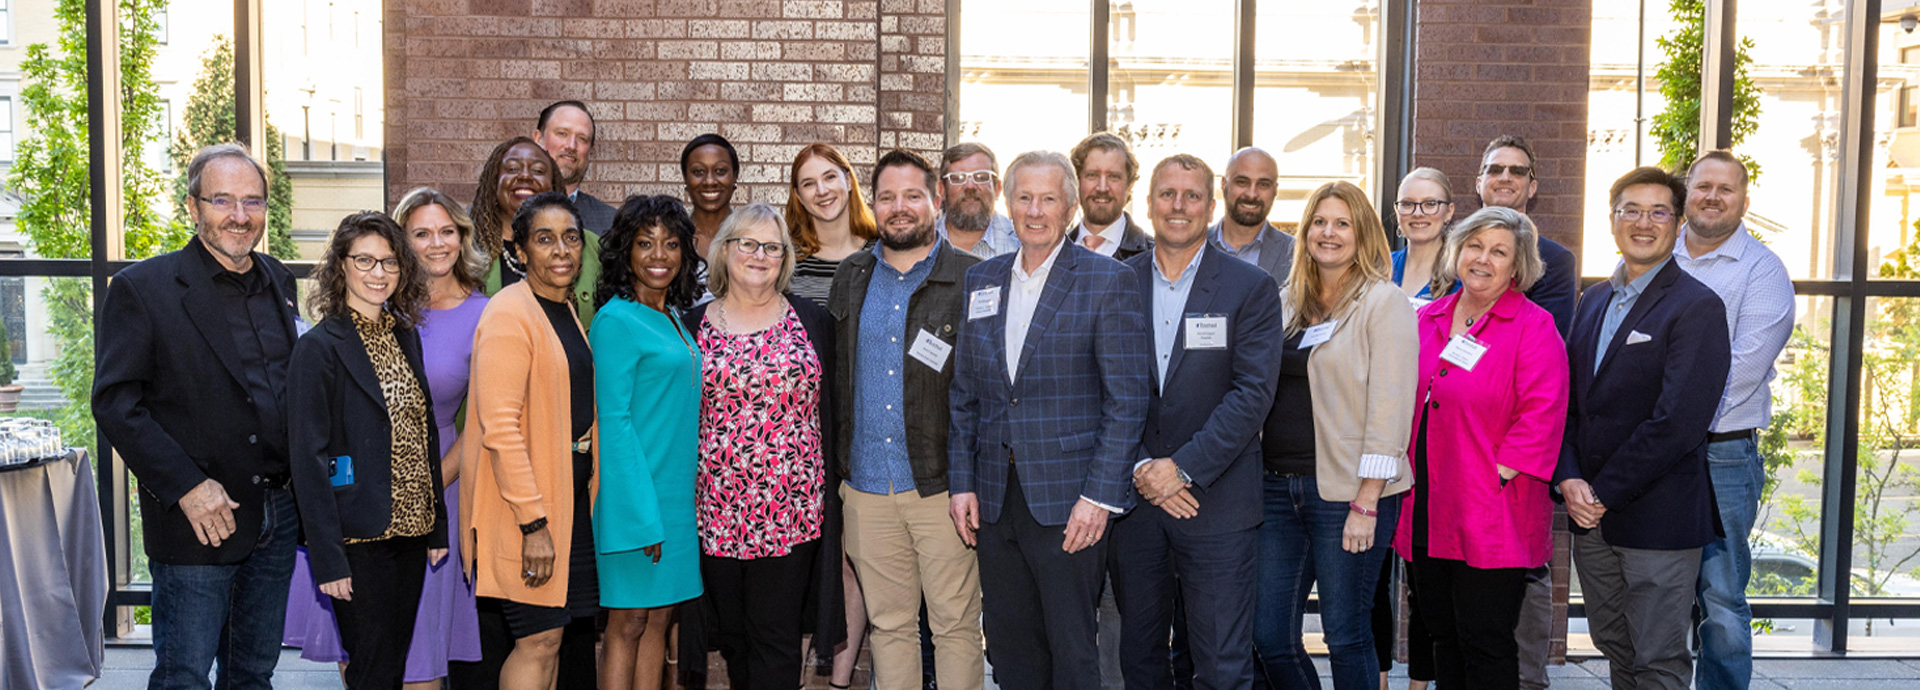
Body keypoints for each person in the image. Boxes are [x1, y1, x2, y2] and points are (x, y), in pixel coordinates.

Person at [94, 143, 302, 690]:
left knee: (253, 674)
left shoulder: (279, 281)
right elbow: (116, 402)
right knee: (184, 676)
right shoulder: (144, 288)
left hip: (276, 514)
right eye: (223, 201)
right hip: (197, 517)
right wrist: (187, 486)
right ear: (193, 207)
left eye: (253, 201)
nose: (240, 216)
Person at [947, 150, 1153, 690]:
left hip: (1070, 502)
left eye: (1048, 199)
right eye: (1024, 198)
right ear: (1007, 204)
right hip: (994, 499)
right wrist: (962, 484)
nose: (1035, 211)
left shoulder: (1107, 280)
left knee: (1072, 653)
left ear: (1070, 206)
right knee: (1012, 650)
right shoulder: (981, 281)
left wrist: (1100, 497)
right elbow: (965, 392)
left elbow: (1126, 402)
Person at [282, 188, 490, 689]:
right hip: (358, 537)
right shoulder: (320, 348)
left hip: (411, 535)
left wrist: (437, 529)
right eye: (365, 261)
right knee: (372, 671)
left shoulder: (404, 335)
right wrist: (328, 557)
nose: (378, 273)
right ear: (341, 267)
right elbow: (307, 461)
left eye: (389, 263)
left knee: (394, 664)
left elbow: (423, 438)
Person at [1111, 154, 1284, 690]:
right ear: (1148, 202)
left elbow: (1252, 394)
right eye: (1167, 194)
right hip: (1135, 505)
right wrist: (1144, 466)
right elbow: (1103, 388)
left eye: (1191, 196)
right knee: (1140, 659)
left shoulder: (1249, 287)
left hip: (1217, 504)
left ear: (1211, 207)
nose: (1178, 206)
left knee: (1221, 666)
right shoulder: (1117, 282)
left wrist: (1181, 469)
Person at [1556, 167, 1731, 690]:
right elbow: (1566, 402)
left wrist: (1601, 492)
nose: (1643, 222)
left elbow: (1678, 422)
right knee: (1617, 649)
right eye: (1630, 210)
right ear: (1612, 220)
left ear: (1678, 225)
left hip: (1658, 518)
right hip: (1590, 517)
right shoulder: (1592, 301)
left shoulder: (1698, 307)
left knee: (1657, 661)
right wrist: (1567, 479)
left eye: (1658, 212)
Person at [1389, 206, 1568, 690]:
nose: (1482, 259)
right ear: (1456, 251)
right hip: (1425, 504)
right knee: (1441, 634)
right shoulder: (1429, 318)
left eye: (1498, 251)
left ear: (1517, 266)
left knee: (1485, 640)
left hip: (1491, 510)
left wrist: (1495, 478)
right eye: (1474, 246)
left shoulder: (1533, 326)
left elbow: (1542, 413)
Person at [830, 150, 987, 690]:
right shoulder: (850, 276)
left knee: (955, 627)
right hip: (867, 489)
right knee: (890, 627)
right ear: (873, 205)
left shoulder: (974, 279)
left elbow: (984, 390)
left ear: (936, 200)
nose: (899, 208)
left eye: (912, 196)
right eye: (887, 197)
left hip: (941, 489)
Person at [1253, 181, 1415, 690]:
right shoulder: (1285, 302)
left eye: (1342, 223)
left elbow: (1390, 410)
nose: (1329, 232)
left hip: (1349, 495)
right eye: (1319, 222)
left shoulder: (1382, 302)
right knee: (1270, 634)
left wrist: (1367, 501)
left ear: (1362, 232)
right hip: (1277, 491)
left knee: (1346, 635)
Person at [683, 202, 845, 690]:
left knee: (776, 639)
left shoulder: (812, 321)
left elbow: (835, 407)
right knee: (733, 639)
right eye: (747, 244)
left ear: (785, 257)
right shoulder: (690, 326)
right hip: (717, 510)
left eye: (772, 247)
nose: (760, 255)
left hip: (790, 510)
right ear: (724, 250)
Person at [457, 192, 602, 690]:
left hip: (566, 510)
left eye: (569, 238)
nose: (561, 250)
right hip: (527, 512)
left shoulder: (562, 311)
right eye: (544, 239)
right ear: (519, 252)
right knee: (536, 642)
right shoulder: (509, 312)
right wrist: (533, 523)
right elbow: (500, 427)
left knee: (550, 642)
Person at [1677, 151, 1795, 690]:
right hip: (1660, 451)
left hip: (1722, 453)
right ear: (1687, 192)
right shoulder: (1659, 257)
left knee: (1720, 598)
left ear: (1743, 200)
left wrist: (1665, 426)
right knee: (1658, 592)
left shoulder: (1762, 271)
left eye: (1726, 189)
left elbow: (1741, 371)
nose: (1712, 197)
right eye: (1704, 186)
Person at [1473, 135, 1577, 690]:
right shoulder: (1456, 247)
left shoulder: (1554, 261)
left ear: (1533, 187)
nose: (1505, 178)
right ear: (1479, 181)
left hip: (1515, 447)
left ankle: (1527, 681)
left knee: (1523, 567)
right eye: (1495, 169)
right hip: (1452, 439)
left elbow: (1543, 348)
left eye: (1517, 171)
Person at [592, 195, 708, 690]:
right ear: (625, 251)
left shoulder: (673, 318)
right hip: (634, 499)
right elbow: (612, 423)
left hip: (677, 500)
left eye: (671, 243)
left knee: (659, 622)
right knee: (628, 623)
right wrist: (641, 515)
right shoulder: (616, 320)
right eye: (645, 243)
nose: (658, 254)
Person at [473, 136, 605, 327]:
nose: (525, 176)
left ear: (553, 185)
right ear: (494, 183)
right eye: (512, 169)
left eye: (538, 171)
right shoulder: (465, 247)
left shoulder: (592, 247)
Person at [788, 143, 880, 310]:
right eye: (809, 184)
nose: (822, 191)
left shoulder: (880, 253)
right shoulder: (787, 259)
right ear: (798, 196)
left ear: (849, 181)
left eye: (830, 177)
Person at [1207, 147, 1295, 282]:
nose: (1251, 194)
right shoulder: (1193, 245)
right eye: (1242, 182)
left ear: (1275, 190)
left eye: (1263, 184)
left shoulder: (1296, 255)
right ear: (1224, 184)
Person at [534, 100, 616, 232]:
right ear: (539, 139)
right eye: (562, 133)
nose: (571, 146)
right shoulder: (505, 211)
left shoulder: (611, 224)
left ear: (590, 150)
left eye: (582, 138)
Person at [1067, 133, 1152, 261]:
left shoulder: (1155, 257)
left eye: (1113, 176)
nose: (1102, 188)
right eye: (1092, 175)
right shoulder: (1053, 252)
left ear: (1129, 185)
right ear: (1077, 182)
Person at [937, 141, 1019, 259]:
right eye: (958, 178)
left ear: (997, 188)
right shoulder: (921, 243)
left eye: (981, 177)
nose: (970, 186)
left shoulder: (1022, 245)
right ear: (942, 189)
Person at [1391, 167, 1458, 306]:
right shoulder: (1380, 267)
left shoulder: (1461, 274)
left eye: (1430, 204)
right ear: (1397, 211)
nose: (1418, 213)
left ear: (1449, 212)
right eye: (1407, 204)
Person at [682, 133, 740, 262]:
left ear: (735, 176)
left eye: (720, 171)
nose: (709, 181)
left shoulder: (751, 235)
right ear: (686, 178)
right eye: (698, 171)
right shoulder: (674, 236)